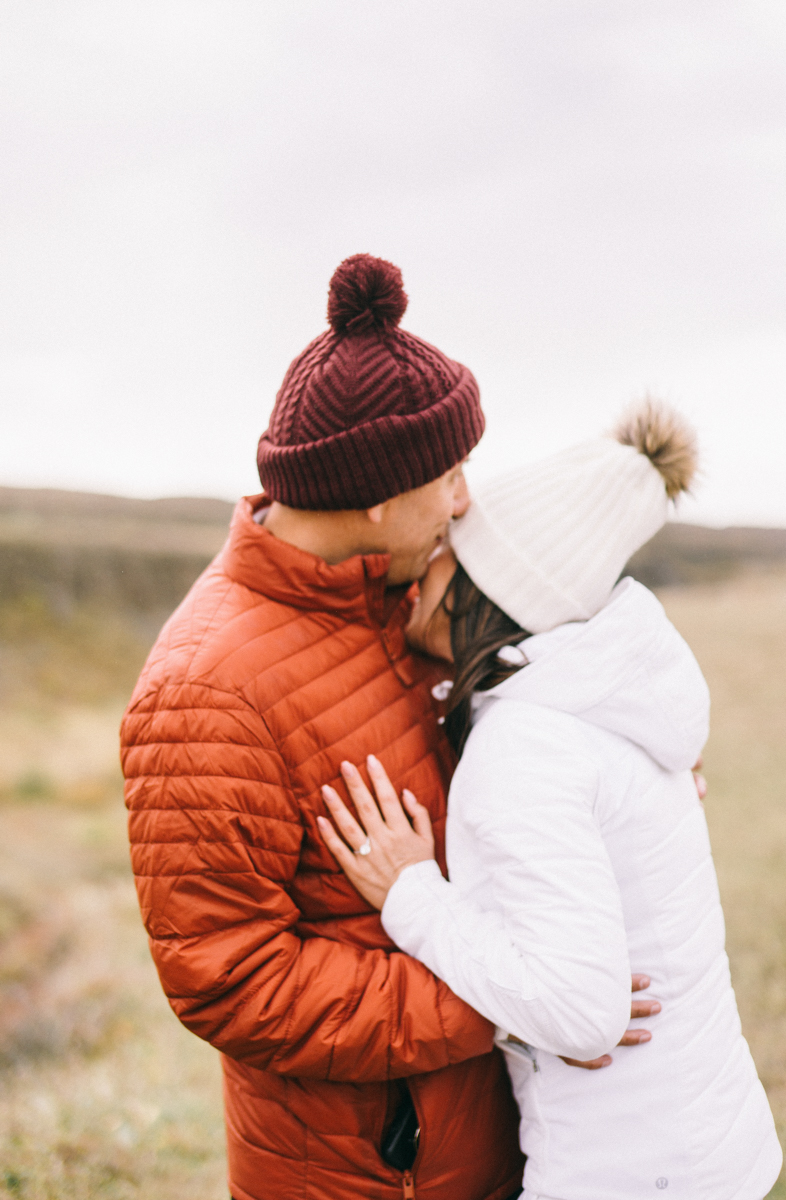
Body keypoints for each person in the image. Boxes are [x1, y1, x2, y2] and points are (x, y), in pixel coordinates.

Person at [121, 255, 657, 1200]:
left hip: (497, 1142)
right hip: (365, 1175)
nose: (464, 500)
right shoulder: (201, 694)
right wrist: (506, 1004)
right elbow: (229, 978)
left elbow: (552, 694)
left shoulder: (412, 601)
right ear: (372, 493)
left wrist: (628, 770)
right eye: (449, 474)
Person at [318, 400, 783, 1199]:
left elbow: (583, 1014)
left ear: (482, 588)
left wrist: (410, 894)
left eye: (439, 559)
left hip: (623, 1173)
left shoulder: (524, 747)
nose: (415, 572)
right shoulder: (604, 703)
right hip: (707, 1146)